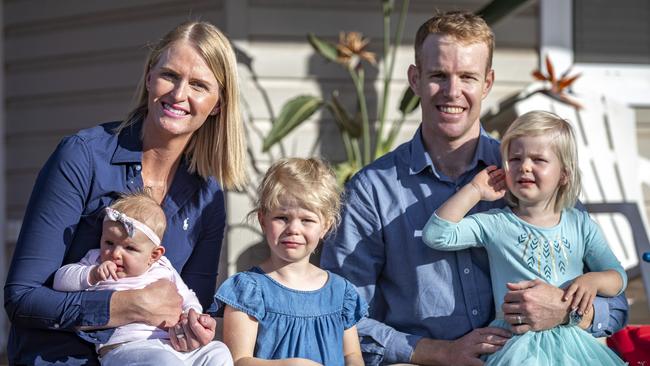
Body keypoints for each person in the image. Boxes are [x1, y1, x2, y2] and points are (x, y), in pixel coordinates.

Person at [320, 10, 628, 365]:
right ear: (415, 79)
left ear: (487, 82)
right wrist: (438, 352)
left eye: (467, 76)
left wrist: (564, 312)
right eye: (438, 75)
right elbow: (339, 314)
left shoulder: (531, 173)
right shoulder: (372, 191)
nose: (453, 92)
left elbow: (616, 305)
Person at [4, 20, 246, 365]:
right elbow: (22, 298)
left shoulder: (207, 195)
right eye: (170, 76)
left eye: (198, 85)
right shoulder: (82, 156)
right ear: (149, 77)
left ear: (218, 104)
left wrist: (192, 328)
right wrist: (120, 306)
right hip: (63, 357)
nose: (179, 95)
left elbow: (191, 305)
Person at [422, 111, 626, 365]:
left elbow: (618, 277)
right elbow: (437, 234)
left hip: (571, 342)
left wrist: (592, 280)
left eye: (539, 159)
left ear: (564, 174)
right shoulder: (497, 223)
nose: (524, 166)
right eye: (515, 159)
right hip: (516, 342)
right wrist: (474, 191)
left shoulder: (579, 223)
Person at [214, 158, 367, 366]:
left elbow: (352, 356)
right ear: (263, 221)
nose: (294, 229)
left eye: (307, 220)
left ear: (325, 226)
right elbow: (238, 360)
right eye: (282, 217)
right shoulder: (248, 290)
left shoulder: (341, 293)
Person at [53, 192, 233, 365]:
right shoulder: (96, 260)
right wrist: (91, 274)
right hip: (126, 349)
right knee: (164, 362)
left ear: (154, 255)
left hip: (173, 345)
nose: (115, 253)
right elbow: (60, 280)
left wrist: (192, 314)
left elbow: (187, 296)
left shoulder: (163, 267)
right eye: (109, 243)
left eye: (129, 248)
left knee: (218, 351)